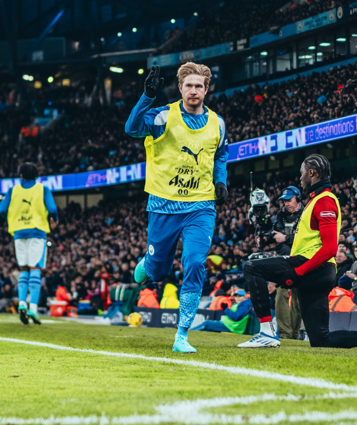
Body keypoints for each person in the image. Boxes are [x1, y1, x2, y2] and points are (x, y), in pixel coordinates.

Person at [125, 63, 228, 354]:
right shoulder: (161, 116)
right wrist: (147, 97)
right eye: (189, 85)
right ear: (180, 87)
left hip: (201, 205)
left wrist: (221, 181)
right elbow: (131, 128)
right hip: (163, 204)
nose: (194, 90)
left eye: (199, 86)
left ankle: (181, 335)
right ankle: (148, 263)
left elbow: (220, 156)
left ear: (206, 89)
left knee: (195, 263)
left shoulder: (217, 124)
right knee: (158, 272)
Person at [237, 154, 341, 348]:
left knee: (251, 267)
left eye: (302, 173)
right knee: (321, 340)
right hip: (318, 269)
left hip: (310, 265)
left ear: (312, 172)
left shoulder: (324, 201)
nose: (300, 178)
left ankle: (267, 331)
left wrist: (299, 271)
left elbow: (330, 248)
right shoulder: (315, 201)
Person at [0, 162, 59, 325]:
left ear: (21, 176)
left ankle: (22, 304)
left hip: (18, 232)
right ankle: (33, 307)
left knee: (23, 269)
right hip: (37, 232)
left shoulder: (13, 190)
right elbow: (52, 208)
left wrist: (11, 220)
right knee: (35, 268)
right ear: (36, 176)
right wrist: (55, 219)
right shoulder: (42, 189)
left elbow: (1, 209)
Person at [271, 186, 303, 339]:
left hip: (301, 259)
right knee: (280, 296)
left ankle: (294, 333)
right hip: (283, 259)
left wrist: (286, 238)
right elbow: (276, 235)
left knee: (298, 298)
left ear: (298, 199)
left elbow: (303, 236)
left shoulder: (305, 213)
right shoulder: (280, 214)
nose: (286, 204)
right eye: (284, 201)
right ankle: (285, 334)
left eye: (289, 200)